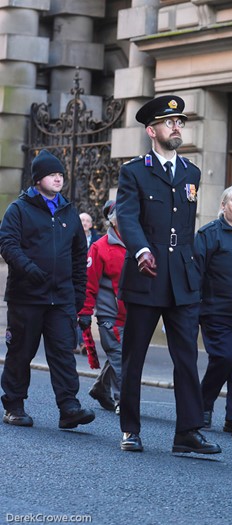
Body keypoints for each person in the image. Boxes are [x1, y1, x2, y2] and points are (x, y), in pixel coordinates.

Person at [116, 95, 221, 455]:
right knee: (134, 358)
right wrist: (141, 249)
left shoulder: (190, 171)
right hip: (147, 274)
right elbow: (126, 217)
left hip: (183, 277)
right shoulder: (135, 171)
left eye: (180, 122)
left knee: (186, 358)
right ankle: (130, 428)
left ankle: (187, 432)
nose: (177, 127)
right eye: (169, 122)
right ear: (152, 130)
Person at [0, 149, 95, 430]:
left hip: (61, 298)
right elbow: (7, 244)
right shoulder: (19, 208)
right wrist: (30, 270)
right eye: (52, 174)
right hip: (26, 297)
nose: (58, 178)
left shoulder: (68, 211)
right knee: (21, 351)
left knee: (63, 353)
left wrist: (78, 294)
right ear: (38, 178)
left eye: (60, 175)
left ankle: (69, 408)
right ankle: (14, 406)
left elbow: (80, 255)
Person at [194, 185, 232, 432]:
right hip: (216, 312)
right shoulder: (209, 234)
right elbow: (195, 273)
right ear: (223, 206)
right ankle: (202, 406)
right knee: (225, 357)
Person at [78, 200, 126, 415]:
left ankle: (100, 388)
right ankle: (123, 401)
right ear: (114, 220)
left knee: (123, 355)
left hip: (133, 315)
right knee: (120, 356)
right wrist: (85, 313)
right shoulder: (99, 247)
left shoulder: (139, 244)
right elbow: (89, 284)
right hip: (110, 316)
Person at [76, 212, 101, 354]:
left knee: (85, 313)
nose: (84, 223)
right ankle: (80, 342)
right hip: (75, 279)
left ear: (91, 225)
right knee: (76, 312)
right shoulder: (72, 237)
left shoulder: (97, 241)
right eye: (82, 220)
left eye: (87, 221)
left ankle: (83, 343)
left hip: (91, 280)